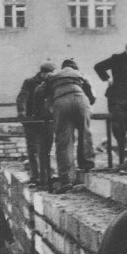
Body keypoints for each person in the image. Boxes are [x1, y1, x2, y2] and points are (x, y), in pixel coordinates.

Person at [45, 58, 96, 193]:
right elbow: (92, 95)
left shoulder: (53, 76)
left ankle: (66, 180)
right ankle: (87, 166)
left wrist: (44, 108)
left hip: (61, 102)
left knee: (64, 140)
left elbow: (41, 91)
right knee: (85, 133)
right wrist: (88, 103)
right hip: (80, 99)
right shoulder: (80, 75)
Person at [95, 43, 127, 166]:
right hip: (115, 97)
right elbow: (98, 67)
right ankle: (122, 157)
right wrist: (108, 79)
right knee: (118, 127)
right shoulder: (117, 58)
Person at [17, 61, 56, 187]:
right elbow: (22, 97)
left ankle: (46, 176)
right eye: (48, 74)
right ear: (42, 73)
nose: (49, 76)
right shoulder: (29, 82)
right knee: (33, 149)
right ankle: (35, 176)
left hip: (47, 121)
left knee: (47, 149)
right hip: (32, 121)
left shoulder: (52, 83)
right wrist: (22, 112)